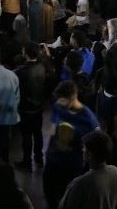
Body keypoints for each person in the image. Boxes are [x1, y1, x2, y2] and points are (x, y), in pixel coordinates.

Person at [44, 80, 100, 209]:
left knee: (68, 197)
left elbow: (95, 144)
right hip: (53, 160)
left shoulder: (89, 120)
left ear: (73, 97)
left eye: (62, 100)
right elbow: (53, 127)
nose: (58, 103)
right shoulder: (58, 106)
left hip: (72, 164)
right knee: (49, 192)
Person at [58, 131, 117, 209]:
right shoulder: (115, 172)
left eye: (84, 148)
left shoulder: (80, 183)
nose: (82, 150)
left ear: (89, 154)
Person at [13, 41, 47, 169]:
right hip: (38, 106)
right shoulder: (42, 67)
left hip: (25, 108)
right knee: (38, 133)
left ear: (25, 54)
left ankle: (27, 161)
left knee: (26, 136)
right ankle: (39, 157)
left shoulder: (20, 72)